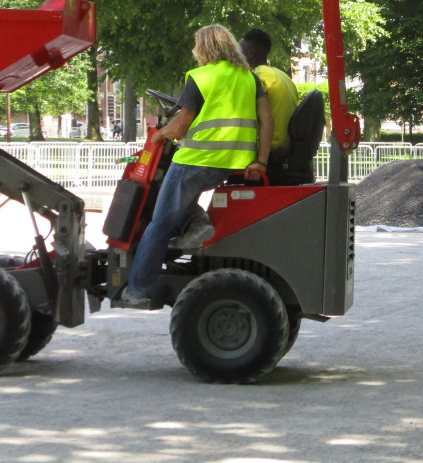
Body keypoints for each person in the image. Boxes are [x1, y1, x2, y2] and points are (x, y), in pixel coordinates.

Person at [120, 25, 273, 308]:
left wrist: (159, 134)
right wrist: (260, 161)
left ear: (204, 48)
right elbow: (267, 120)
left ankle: (138, 289)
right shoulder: (250, 78)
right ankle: (195, 221)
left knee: (160, 222)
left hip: (195, 161)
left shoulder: (200, 77)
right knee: (175, 203)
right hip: (231, 163)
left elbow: (180, 126)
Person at [239, 28, 300, 156]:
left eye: (239, 52)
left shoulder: (257, 77)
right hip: (285, 150)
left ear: (250, 53)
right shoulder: (283, 77)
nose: (235, 57)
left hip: (266, 152)